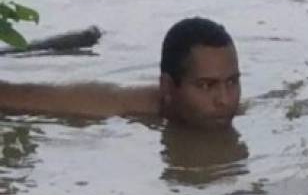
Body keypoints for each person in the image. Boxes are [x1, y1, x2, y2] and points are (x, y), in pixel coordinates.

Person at [0, 17, 241, 130]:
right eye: (206, 86)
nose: (225, 100)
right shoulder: (117, 105)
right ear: (167, 87)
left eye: (232, 82)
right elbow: (17, 95)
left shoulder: (247, 110)